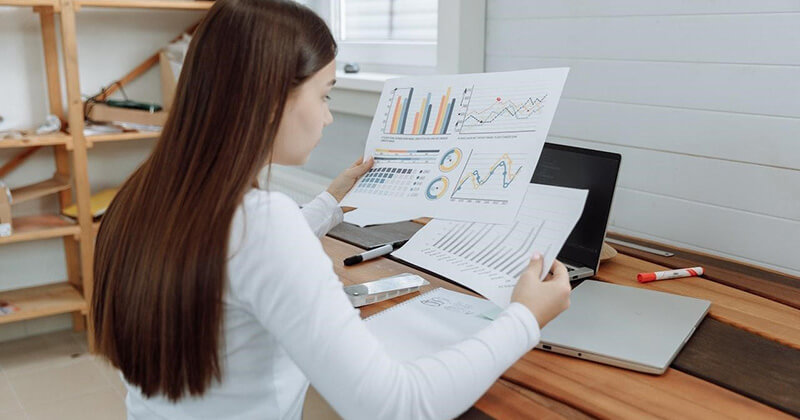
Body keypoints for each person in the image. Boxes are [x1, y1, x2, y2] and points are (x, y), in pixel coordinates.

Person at [91, 0, 571, 418]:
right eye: (324, 94)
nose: (328, 114)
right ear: (271, 99)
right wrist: (525, 318)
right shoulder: (261, 223)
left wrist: (330, 202)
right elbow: (398, 407)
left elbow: (230, 263)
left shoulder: (143, 194)